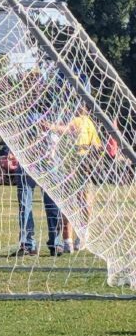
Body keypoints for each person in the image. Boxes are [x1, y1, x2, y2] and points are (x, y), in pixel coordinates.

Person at [44, 103, 102, 252]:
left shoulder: (83, 121)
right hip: (73, 165)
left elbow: (70, 130)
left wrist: (50, 126)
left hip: (79, 165)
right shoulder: (82, 121)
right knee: (75, 202)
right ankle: (72, 239)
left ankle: (75, 239)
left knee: (77, 202)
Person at [9, 156, 64, 257]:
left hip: (51, 163)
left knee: (53, 206)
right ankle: (28, 245)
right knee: (24, 207)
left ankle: (55, 244)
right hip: (26, 163)